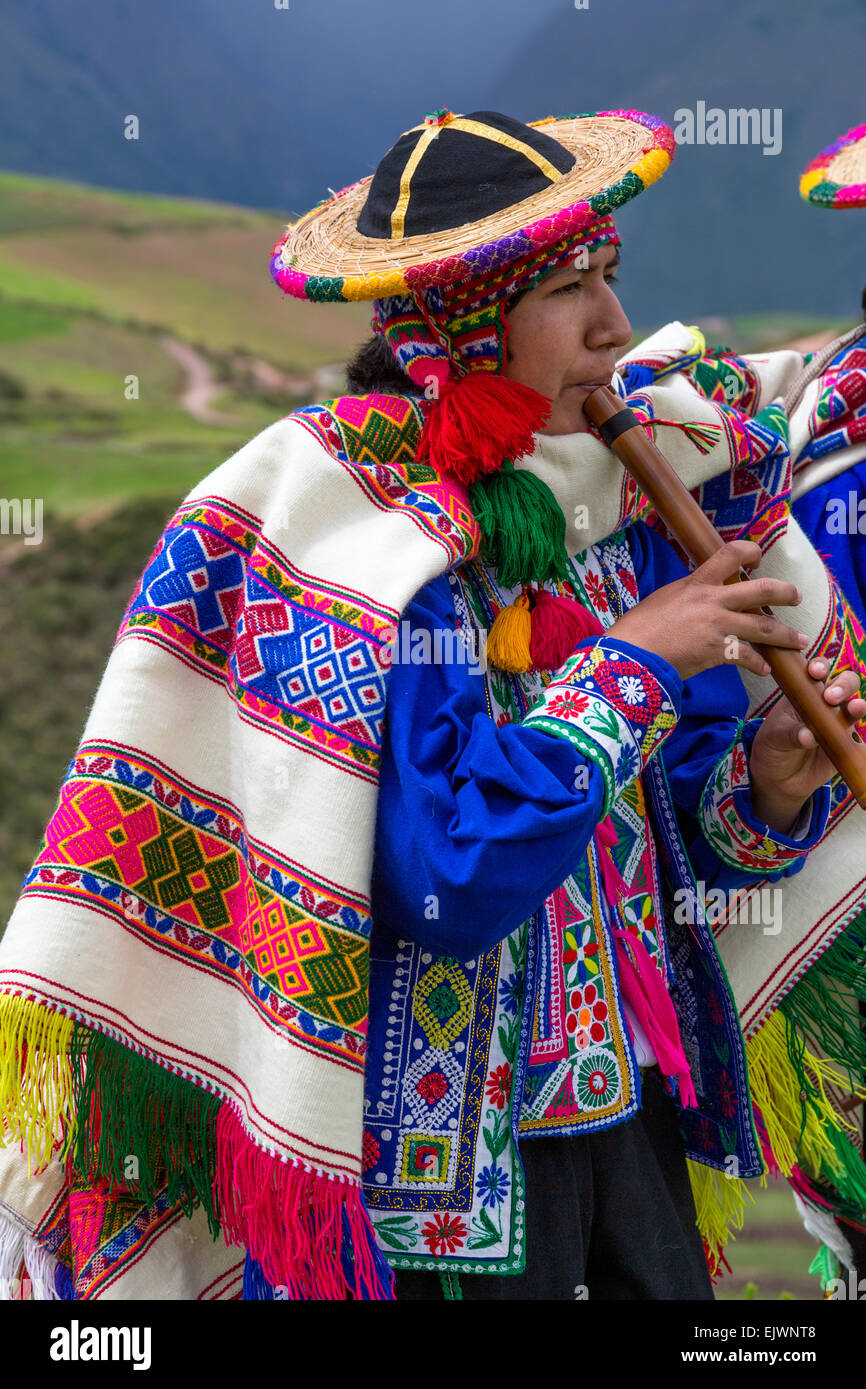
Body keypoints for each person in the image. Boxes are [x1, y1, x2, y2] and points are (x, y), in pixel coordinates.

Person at [0, 106, 863, 1302]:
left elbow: (673, 843)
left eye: (610, 278)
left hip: (631, 1122)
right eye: (569, 291)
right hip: (436, 1188)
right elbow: (448, 873)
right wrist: (634, 664)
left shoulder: (596, 515)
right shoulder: (356, 556)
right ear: (466, 321)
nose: (613, 328)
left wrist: (767, 775)